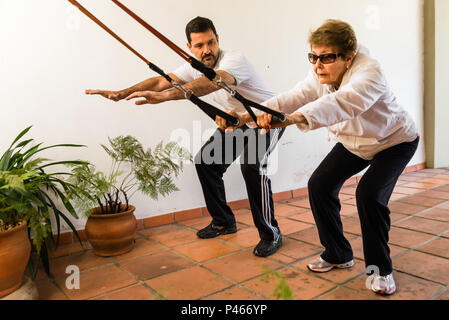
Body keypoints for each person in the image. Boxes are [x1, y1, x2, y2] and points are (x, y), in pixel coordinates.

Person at [230, 19, 419, 295]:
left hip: (394, 142)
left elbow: (342, 102)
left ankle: (380, 270)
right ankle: (338, 253)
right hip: (356, 143)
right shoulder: (320, 74)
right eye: (313, 57)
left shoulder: (369, 72)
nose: (317, 65)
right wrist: (245, 116)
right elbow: (293, 97)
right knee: (319, 185)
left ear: (348, 57)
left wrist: (293, 119)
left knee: (369, 194)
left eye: (327, 57)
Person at [86, 16, 285, 257]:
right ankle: (223, 222)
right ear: (189, 47)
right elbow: (162, 80)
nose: (207, 50)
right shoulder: (192, 65)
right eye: (199, 46)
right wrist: (122, 92)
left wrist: (166, 96)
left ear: (217, 39)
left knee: (252, 167)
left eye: (211, 43)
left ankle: (271, 234)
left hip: (267, 118)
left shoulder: (234, 59)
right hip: (237, 120)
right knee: (206, 162)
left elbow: (214, 83)